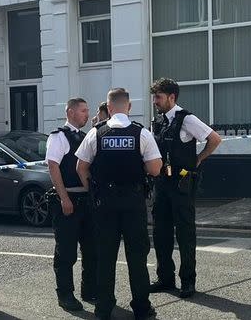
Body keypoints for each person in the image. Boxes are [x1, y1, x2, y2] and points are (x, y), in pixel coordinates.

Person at [76, 88, 162, 320]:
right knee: (137, 258)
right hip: (133, 204)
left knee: (105, 258)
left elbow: (81, 167)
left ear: (109, 107)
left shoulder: (96, 133)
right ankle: (142, 308)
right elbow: (155, 168)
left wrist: (93, 190)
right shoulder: (141, 134)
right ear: (129, 107)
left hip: (105, 204)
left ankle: (103, 309)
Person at [148, 78, 222, 299]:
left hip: (181, 185)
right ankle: (165, 278)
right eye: (154, 97)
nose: (155, 101)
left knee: (185, 235)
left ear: (172, 97)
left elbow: (214, 139)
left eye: (158, 97)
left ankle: (188, 281)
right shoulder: (158, 121)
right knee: (161, 233)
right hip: (161, 184)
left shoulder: (187, 119)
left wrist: (198, 159)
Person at [46, 97, 96, 311]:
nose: (87, 114)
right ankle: (65, 294)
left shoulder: (85, 136)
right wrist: (64, 198)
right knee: (66, 252)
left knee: (92, 249)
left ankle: (89, 290)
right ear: (71, 112)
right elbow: (53, 166)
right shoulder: (58, 137)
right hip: (69, 200)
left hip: (87, 201)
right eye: (83, 110)